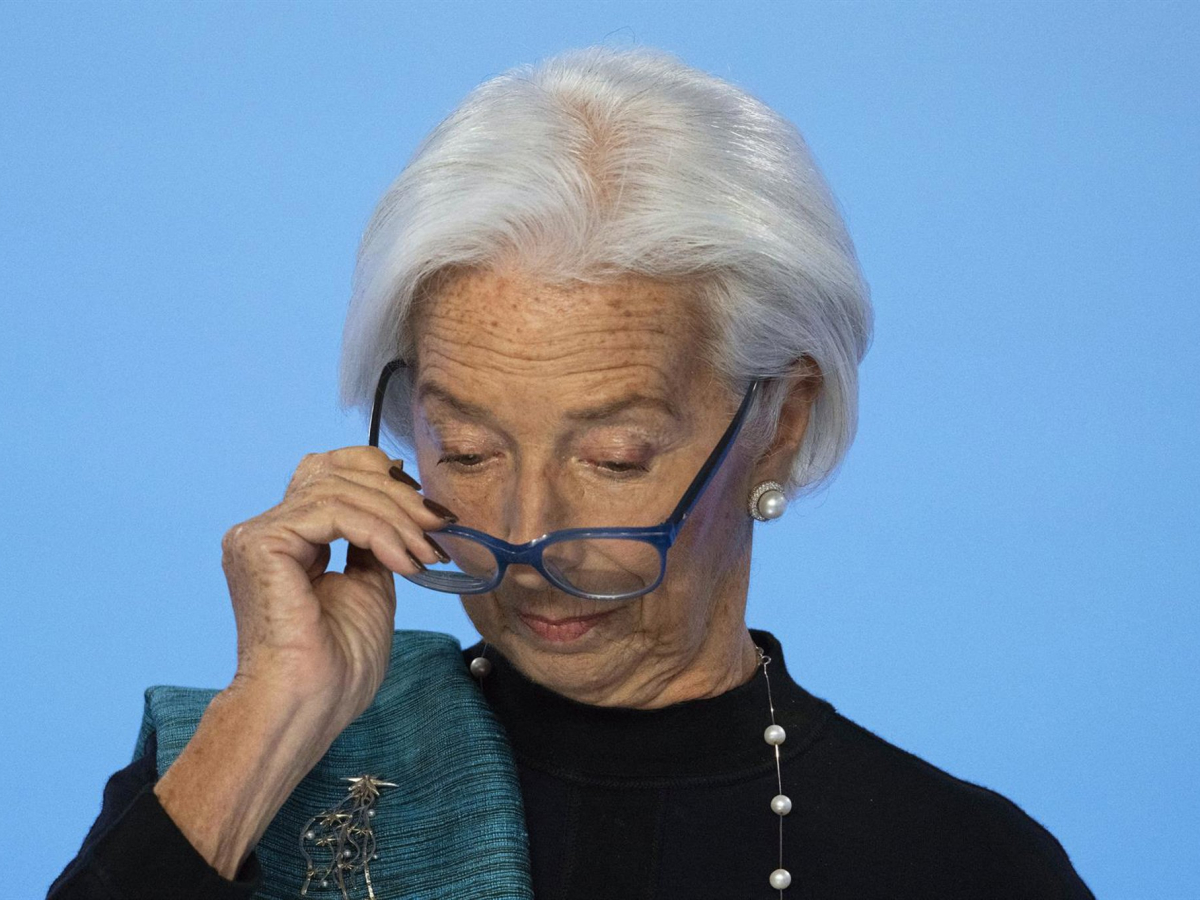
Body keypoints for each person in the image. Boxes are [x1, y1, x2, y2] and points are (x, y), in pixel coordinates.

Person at [48, 46, 1094, 900]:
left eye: (614, 458)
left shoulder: (964, 864)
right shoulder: (230, 780)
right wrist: (265, 722)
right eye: (466, 450)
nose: (524, 537)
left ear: (782, 421)